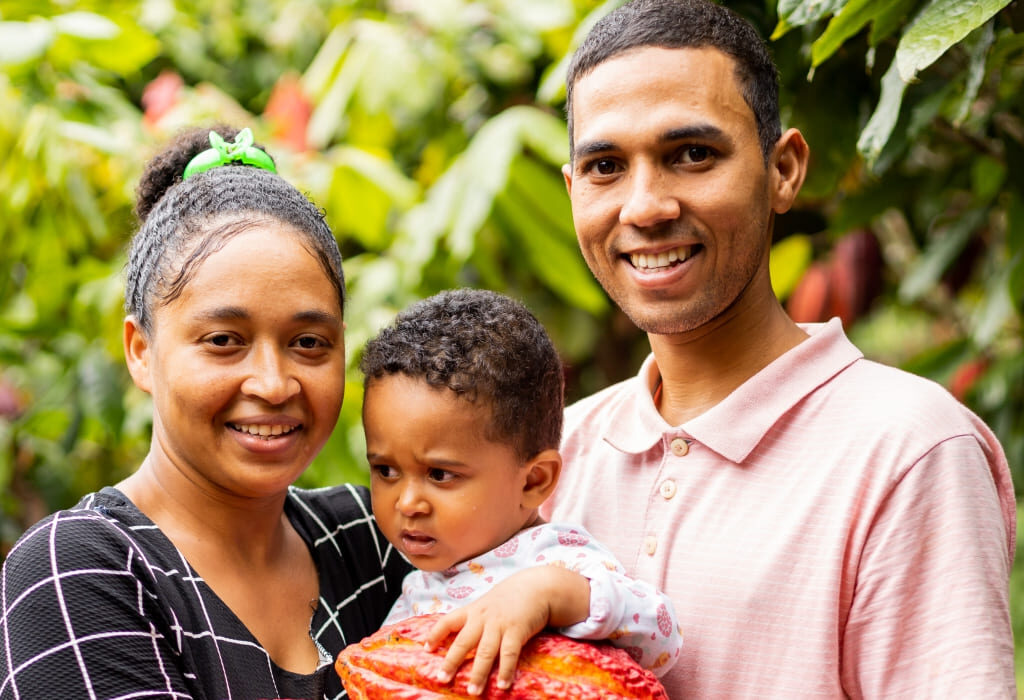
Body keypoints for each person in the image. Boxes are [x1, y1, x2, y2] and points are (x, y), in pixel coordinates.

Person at [540, 0, 1017, 697]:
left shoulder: (908, 448)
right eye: (606, 166)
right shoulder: (550, 457)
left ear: (785, 170)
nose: (644, 207)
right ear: (573, 188)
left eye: (692, 154)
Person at [0, 126, 414, 700]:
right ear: (141, 352)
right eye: (224, 339)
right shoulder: (83, 567)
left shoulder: (380, 534)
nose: (273, 384)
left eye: (309, 343)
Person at [357, 288, 682, 695]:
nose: (407, 503)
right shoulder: (419, 590)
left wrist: (548, 592)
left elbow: (662, 633)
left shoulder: (554, 559)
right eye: (385, 470)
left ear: (534, 481)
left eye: (439, 474)